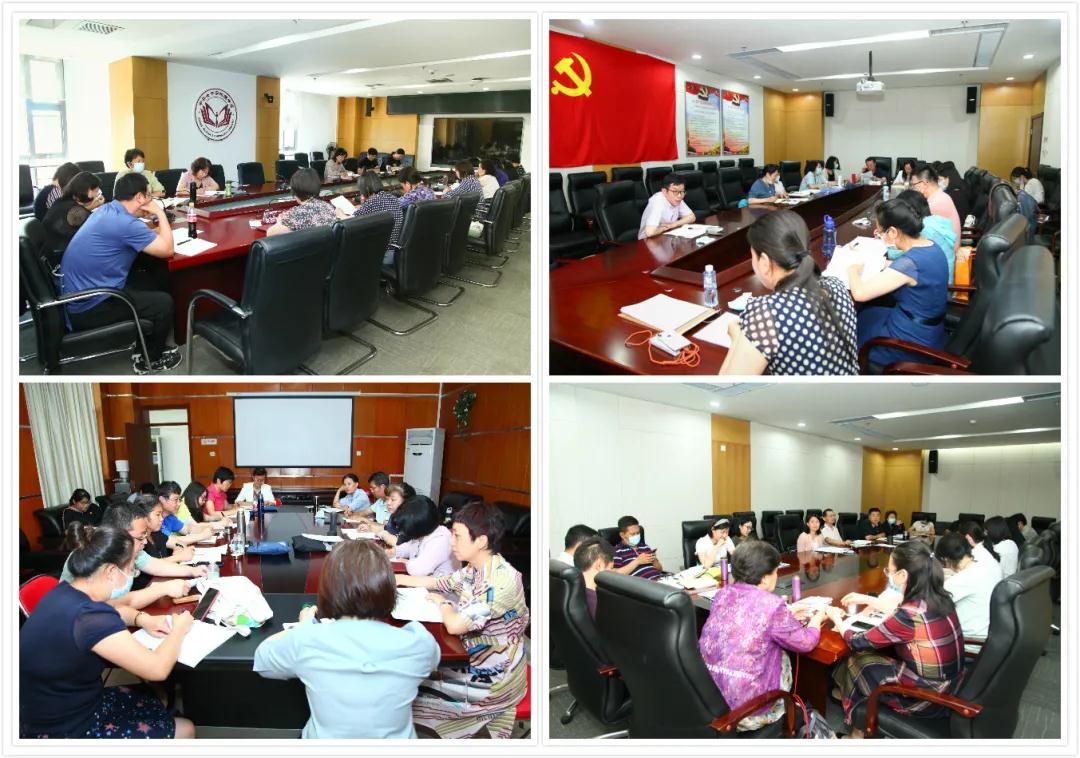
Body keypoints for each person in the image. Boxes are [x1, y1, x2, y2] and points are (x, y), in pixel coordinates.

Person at [20, 524, 195, 739]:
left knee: (157, 697)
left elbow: (115, 609)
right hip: (66, 726)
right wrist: (179, 629)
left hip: (56, 703)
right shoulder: (90, 616)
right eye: (131, 568)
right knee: (186, 728)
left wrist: (142, 619)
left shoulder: (67, 590)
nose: (133, 574)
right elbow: (157, 669)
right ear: (111, 571)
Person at [254, 540, 438, 738]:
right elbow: (432, 662)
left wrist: (303, 626)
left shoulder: (307, 640)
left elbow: (263, 661)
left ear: (329, 589)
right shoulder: (419, 643)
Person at [397, 502, 530, 738]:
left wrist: (444, 604)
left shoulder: (500, 582)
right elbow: (439, 582)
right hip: (472, 657)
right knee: (409, 680)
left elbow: (456, 625)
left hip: (495, 678)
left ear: (481, 541)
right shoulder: (475, 568)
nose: (452, 542)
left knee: (409, 694)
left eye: (457, 536)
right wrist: (394, 579)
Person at [825, 540, 965, 738]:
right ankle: (846, 694)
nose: (888, 575)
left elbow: (856, 641)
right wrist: (866, 599)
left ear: (903, 575)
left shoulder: (908, 614)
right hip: (953, 685)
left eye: (889, 571)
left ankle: (857, 734)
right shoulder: (939, 597)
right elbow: (900, 611)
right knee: (875, 655)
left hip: (928, 698)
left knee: (859, 659)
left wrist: (837, 619)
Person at [699, 540, 826, 732]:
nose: (777, 576)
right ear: (765, 578)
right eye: (775, 571)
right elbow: (806, 643)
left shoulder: (722, 594)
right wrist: (817, 619)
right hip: (748, 711)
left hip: (711, 699)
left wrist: (787, 614)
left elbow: (745, 618)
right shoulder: (772, 605)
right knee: (783, 653)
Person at [60, 172, 179, 372]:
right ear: (139, 197)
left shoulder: (108, 210)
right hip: (91, 305)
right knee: (163, 303)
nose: (150, 200)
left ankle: (144, 343)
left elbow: (139, 236)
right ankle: (150, 359)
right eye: (148, 195)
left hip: (80, 293)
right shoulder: (125, 223)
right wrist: (159, 213)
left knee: (151, 279)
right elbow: (167, 249)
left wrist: (158, 232)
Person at [720, 210, 858, 375]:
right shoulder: (837, 285)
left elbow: (728, 383)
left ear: (764, 262)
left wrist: (737, 338)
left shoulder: (766, 314)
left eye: (753, 257)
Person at [851, 197, 949, 368]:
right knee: (866, 313)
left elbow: (859, 294)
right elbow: (906, 269)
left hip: (911, 344)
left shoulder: (911, 262)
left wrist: (852, 270)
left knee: (851, 328)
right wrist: (880, 263)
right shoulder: (931, 246)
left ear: (893, 232)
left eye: (880, 232)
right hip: (931, 331)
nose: (880, 236)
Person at [59, 503, 206, 604]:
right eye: (141, 537)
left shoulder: (128, 547)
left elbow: (156, 566)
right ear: (121, 534)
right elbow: (110, 605)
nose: (145, 542)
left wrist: (192, 571)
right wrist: (162, 589)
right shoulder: (94, 554)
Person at [934, 532, 1001, 647]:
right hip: (987, 636)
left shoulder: (963, 579)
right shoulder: (983, 567)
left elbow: (932, 602)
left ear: (946, 559)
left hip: (969, 643)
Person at [893, 189, 957, 284]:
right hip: (942, 277)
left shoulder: (925, 228)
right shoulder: (934, 220)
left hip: (937, 285)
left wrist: (888, 247)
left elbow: (906, 254)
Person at [345, 172, 404, 266]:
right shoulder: (392, 197)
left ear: (366, 189)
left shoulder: (372, 202)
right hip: (397, 251)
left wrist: (341, 214)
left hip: (382, 254)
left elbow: (351, 222)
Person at [392, 497, 458, 576]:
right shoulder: (424, 532)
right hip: (422, 580)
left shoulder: (441, 540)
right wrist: (393, 552)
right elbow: (410, 547)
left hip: (436, 583)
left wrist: (405, 561)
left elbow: (418, 570)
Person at [42, 171, 104, 254]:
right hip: (62, 254)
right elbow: (92, 229)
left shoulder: (62, 201)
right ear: (88, 191)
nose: (97, 193)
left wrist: (90, 207)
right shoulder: (77, 212)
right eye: (96, 190)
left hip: (51, 249)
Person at [908, 164, 961, 258]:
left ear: (924, 184)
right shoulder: (940, 196)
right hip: (943, 252)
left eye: (914, 185)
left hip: (946, 257)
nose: (913, 189)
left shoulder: (937, 203)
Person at [267, 167, 335, 236]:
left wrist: (279, 222)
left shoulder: (294, 214)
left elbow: (269, 234)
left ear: (295, 192)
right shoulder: (329, 207)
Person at [638, 173, 696, 238]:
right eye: (675, 191)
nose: (679, 195)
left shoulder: (677, 199)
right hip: (647, 239)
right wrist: (663, 228)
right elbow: (650, 232)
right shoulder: (658, 201)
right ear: (664, 191)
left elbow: (692, 217)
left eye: (682, 191)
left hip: (667, 234)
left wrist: (674, 224)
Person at [157, 481, 215, 547]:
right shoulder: (156, 520)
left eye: (179, 500)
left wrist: (205, 529)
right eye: (176, 499)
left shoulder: (170, 517)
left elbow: (187, 529)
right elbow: (171, 541)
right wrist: (203, 535)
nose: (179, 504)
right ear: (162, 499)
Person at [573, 536, 615, 619]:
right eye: (611, 568)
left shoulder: (568, 593)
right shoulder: (599, 605)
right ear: (599, 565)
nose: (612, 572)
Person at [611, 515, 664, 580]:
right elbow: (615, 576)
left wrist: (653, 560)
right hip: (643, 584)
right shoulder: (617, 551)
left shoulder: (644, 546)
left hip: (660, 579)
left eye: (638, 533)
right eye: (633, 534)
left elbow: (660, 569)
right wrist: (637, 561)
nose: (636, 536)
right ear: (622, 535)